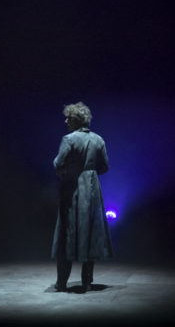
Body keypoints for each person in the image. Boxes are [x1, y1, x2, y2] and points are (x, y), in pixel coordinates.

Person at [51, 102, 114, 292]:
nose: (66, 121)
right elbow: (104, 167)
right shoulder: (98, 140)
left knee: (67, 233)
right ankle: (86, 282)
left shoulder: (68, 139)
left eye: (68, 118)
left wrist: (67, 172)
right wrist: (90, 172)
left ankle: (62, 283)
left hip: (72, 190)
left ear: (77, 120)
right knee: (90, 232)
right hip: (92, 191)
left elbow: (58, 162)